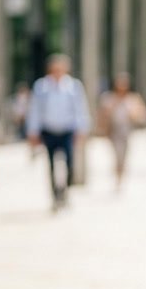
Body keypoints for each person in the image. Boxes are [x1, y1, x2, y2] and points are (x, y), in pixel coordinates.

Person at [25, 54, 90, 210]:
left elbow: (80, 109)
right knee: (51, 164)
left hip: (67, 130)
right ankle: (55, 194)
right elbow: (35, 110)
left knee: (69, 164)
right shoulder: (41, 87)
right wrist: (33, 131)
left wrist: (82, 129)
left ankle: (65, 190)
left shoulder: (74, 86)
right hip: (49, 130)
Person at [96, 73, 146, 190]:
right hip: (113, 132)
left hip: (126, 131)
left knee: (123, 155)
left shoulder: (133, 99)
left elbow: (142, 116)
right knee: (116, 155)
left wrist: (133, 114)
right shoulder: (109, 98)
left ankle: (121, 176)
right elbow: (102, 114)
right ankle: (117, 175)